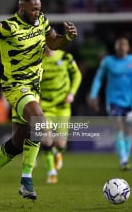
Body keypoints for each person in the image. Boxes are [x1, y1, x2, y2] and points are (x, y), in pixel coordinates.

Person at [0, 0, 78, 201]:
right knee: (38, 121)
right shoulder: (8, 26)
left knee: (18, 143)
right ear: (22, 8)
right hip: (15, 86)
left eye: (39, 8)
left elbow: (53, 43)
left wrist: (68, 38)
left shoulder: (42, 21)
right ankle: (27, 180)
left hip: (34, 88)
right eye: (34, 9)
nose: (38, 12)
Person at [89, 37, 132, 171]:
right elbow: (98, 79)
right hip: (113, 101)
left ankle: (126, 159)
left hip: (129, 102)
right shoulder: (108, 62)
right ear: (116, 47)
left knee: (127, 131)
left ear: (128, 48)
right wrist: (94, 95)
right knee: (118, 129)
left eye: (124, 45)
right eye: (119, 45)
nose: (122, 48)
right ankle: (123, 160)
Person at [40, 47, 82, 184]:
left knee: (60, 143)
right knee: (46, 139)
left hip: (62, 107)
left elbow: (77, 75)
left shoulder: (65, 57)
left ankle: (58, 152)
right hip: (45, 106)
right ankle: (51, 172)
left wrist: (72, 93)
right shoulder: (37, 59)